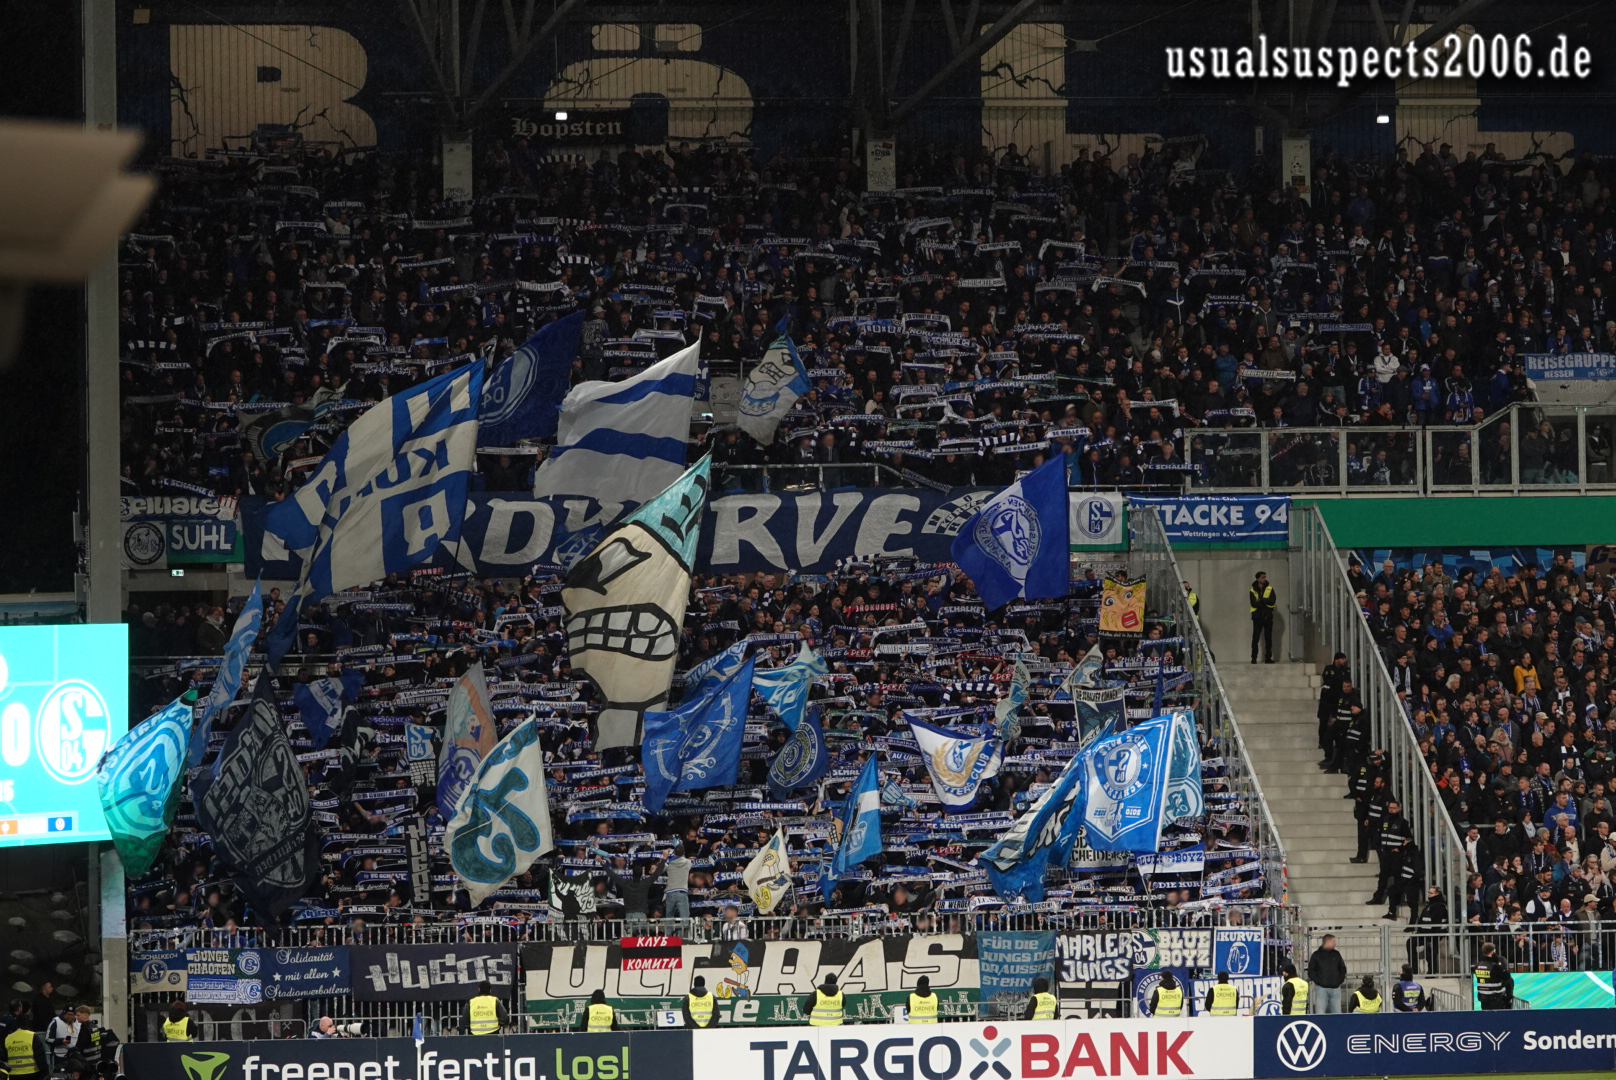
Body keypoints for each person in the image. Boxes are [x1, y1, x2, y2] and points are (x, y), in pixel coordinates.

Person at [1307, 935, 1348, 1013]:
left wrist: (1339, 981)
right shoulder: (1316, 955)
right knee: (1320, 1013)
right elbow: (1311, 971)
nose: (1335, 943)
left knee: (1337, 1013)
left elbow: (1342, 968)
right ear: (1327, 942)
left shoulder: (1336, 954)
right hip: (1321, 989)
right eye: (1333, 941)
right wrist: (1319, 982)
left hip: (1335, 988)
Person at [2, 1013, 48, 1078]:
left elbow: (4, 1058)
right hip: (31, 1073)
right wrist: (45, 1074)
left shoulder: (8, 1038)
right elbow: (40, 1057)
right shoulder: (33, 1036)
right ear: (27, 1023)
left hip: (13, 1074)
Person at [1473, 942, 1514, 1009]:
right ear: (1492, 952)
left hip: (1483, 999)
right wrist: (1498, 963)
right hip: (1496, 999)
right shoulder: (1495, 966)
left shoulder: (1477, 966)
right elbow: (1507, 976)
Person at [1249, 571, 1277, 663]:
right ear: (1258, 579)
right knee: (1255, 639)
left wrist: (1261, 600)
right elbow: (1253, 603)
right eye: (1262, 577)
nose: (1264, 579)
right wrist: (1264, 601)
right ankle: (1254, 658)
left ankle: (1268, 658)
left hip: (1268, 616)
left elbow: (1272, 601)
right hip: (1257, 617)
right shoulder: (1253, 590)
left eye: (1265, 577)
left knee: (1268, 638)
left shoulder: (1269, 589)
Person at [42, 1007, 75, 1072]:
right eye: (68, 1014)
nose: (70, 1017)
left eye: (72, 1015)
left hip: (73, 1055)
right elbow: (48, 1039)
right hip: (59, 1055)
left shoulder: (77, 1022)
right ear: (64, 1014)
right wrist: (61, 1041)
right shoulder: (55, 1022)